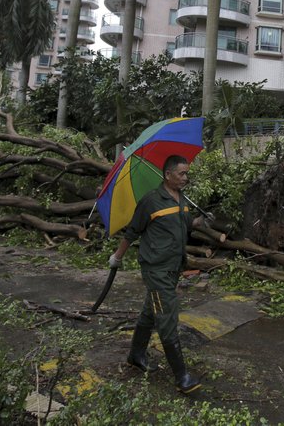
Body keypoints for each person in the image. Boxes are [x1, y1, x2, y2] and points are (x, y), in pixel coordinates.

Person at [108, 154, 202, 394]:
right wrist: (117, 257)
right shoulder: (151, 201)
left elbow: (185, 225)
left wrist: (202, 221)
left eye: (187, 173)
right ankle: (182, 377)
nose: (185, 178)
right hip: (156, 269)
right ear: (167, 174)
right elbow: (132, 232)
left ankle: (136, 355)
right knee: (167, 315)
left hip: (173, 267)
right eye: (181, 173)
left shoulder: (182, 199)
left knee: (151, 311)